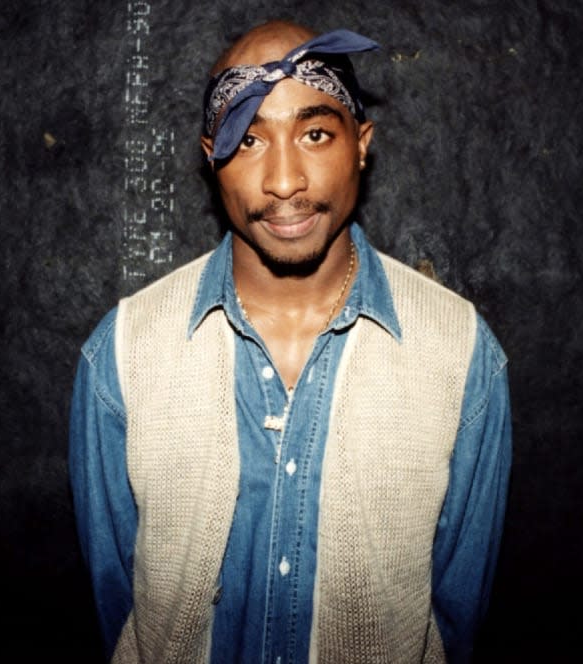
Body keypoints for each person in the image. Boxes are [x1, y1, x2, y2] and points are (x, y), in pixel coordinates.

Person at [70, 19, 511, 664]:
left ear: (361, 144)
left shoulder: (462, 356)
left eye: (313, 134)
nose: (284, 181)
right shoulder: (123, 355)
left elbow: (458, 617)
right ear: (211, 160)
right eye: (248, 140)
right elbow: (118, 613)